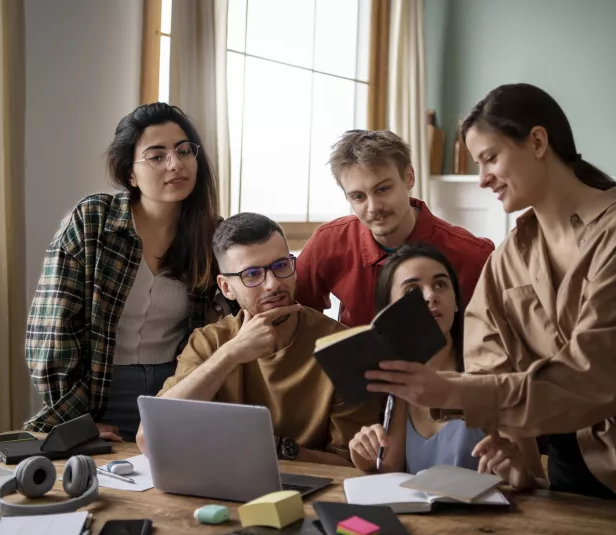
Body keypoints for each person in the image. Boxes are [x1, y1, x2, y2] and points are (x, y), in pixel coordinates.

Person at [365, 83, 616, 514]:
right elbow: (488, 356)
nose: (482, 178)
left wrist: (452, 389)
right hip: (569, 468)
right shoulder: (509, 258)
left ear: (537, 141)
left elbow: (595, 372)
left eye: (490, 157)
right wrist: (514, 453)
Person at [25, 103, 219, 442]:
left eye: (184, 150)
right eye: (156, 156)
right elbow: (52, 330)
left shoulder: (212, 234)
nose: (176, 164)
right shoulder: (93, 220)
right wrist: (76, 421)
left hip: (176, 392)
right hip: (98, 394)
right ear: (130, 173)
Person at [136, 213, 381, 466]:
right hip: (221, 485)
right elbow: (149, 439)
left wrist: (275, 448)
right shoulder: (209, 343)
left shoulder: (344, 347)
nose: (273, 284)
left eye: (281, 266)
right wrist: (231, 354)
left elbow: (352, 464)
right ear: (226, 287)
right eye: (252, 274)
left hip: (312, 489)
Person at [348, 243, 545, 479]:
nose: (431, 296)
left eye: (440, 284)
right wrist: (365, 460)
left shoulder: (492, 369)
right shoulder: (400, 383)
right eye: (412, 291)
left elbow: (535, 479)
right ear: (390, 312)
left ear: (457, 301)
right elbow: (391, 475)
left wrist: (518, 473)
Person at [296, 130, 495, 328]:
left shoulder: (473, 256)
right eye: (358, 197)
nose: (373, 207)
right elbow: (295, 316)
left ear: (409, 177)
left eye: (383, 189)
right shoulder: (328, 241)